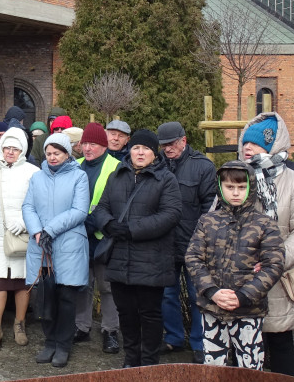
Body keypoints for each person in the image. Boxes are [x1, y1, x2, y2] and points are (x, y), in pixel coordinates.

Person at [92, 129, 182, 367]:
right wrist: (109, 224)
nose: (140, 153)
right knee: (126, 314)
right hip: (120, 258)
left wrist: (132, 229)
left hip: (151, 260)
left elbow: (170, 215)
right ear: (129, 150)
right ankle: (131, 358)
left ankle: (150, 362)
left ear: (154, 153)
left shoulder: (166, 179)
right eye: (136, 148)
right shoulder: (117, 175)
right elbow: (100, 208)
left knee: (150, 315)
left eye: (146, 149)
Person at [185, 161, 285, 369]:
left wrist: (242, 296)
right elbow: (194, 257)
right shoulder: (207, 221)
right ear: (221, 187)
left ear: (251, 188)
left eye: (241, 187)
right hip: (212, 307)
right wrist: (212, 291)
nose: (236, 193)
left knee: (250, 369)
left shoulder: (264, 224)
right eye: (230, 187)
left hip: (248, 310)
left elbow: (273, 265)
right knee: (213, 367)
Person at [238, 112, 294, 376]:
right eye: (245, 142)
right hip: (241, 277)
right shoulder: (234, 178)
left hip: (278, 278)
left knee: (281, 346)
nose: (247, 148)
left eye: (256, 143)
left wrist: (274, 260)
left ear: (274, 146)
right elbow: (215, 221)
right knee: (245, 348)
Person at [22, 132, 90, 367]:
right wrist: (37, 231)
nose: (52, 157)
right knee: (45, 295)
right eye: (49, 153)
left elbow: (80, 211)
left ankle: (63, 345)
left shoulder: (79, 177)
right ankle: (49, 342)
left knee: (66, 297)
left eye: (57, 153)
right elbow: (28, 206)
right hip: (42, 244)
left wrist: (49, 229)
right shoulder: (37, 177)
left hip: (68, 244)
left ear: (66, 154)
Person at [158, 121, 217, 363]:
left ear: (183, 140)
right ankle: (173, 338)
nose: (167, 149)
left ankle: (199, 342)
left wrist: (202, 240)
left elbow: (210, 207)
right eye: (163, 145)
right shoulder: (159, 166)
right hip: (165, 243)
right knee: (166, 294)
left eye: (171, 144)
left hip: (195, 243)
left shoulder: (203, 167)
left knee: (198, 296)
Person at [0, 126, 39, 353]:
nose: (10, 152)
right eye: (7, 148)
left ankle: (19, 324)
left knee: (23, 283)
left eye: (15, 148)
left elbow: (38, 205)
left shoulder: (33, 171)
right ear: (0, 149)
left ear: (22, 150)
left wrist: (25, 223)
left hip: (22, 234)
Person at [75, 122, 122, 354]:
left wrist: (96, 222)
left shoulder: (116, 167)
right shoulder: (75, 166)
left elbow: (119, 203)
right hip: (79, 236)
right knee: (82, 284)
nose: (87, 148)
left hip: (104, 236)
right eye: (85, 143)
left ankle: (110, 330)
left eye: (93, 143)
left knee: (107, 287)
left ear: (103, 145)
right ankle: (81, 327)